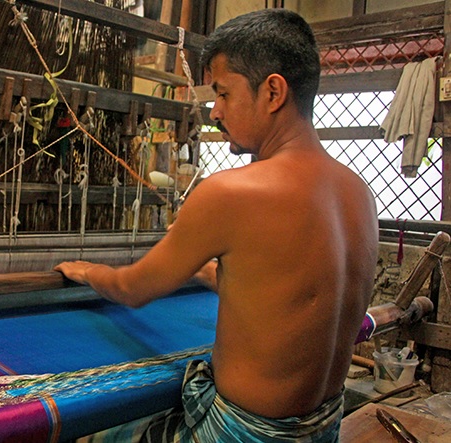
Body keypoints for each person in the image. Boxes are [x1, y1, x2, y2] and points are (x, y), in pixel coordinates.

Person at [55, 8, 378, 442]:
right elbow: (286, 295)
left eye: (223, 94)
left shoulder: (232, 192)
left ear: (273, 91)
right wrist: (206, 271)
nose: (214, 112)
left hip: (241, 433)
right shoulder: (358, 192)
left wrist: (86, 271)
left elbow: (133, 291)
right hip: (322, 427)